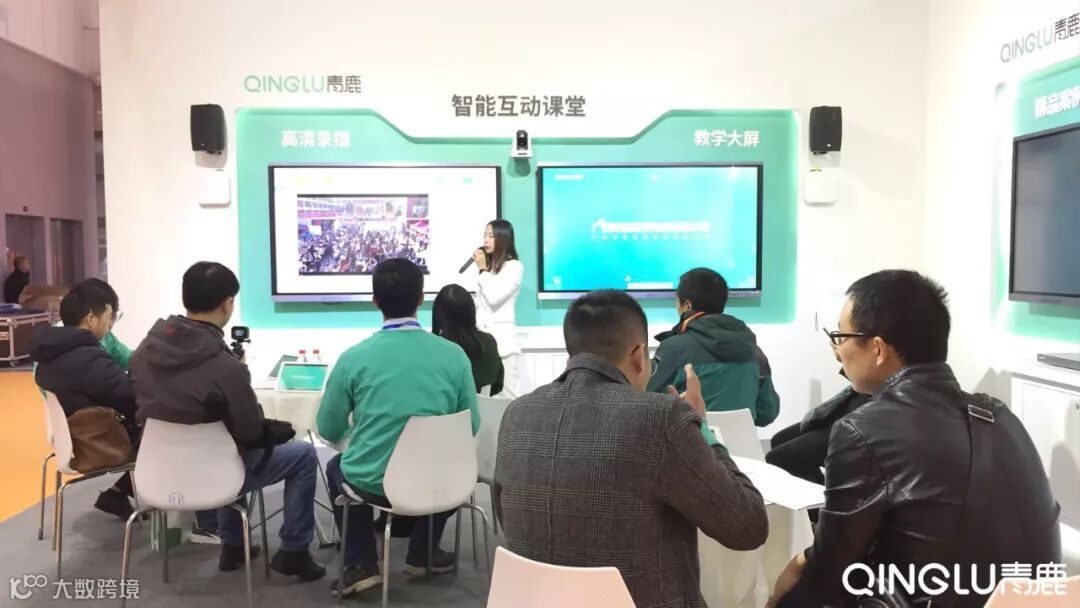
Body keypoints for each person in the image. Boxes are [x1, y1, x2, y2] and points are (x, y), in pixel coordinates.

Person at [767, 270, 1061, 608]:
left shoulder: (861, 429)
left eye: (841, 336)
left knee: (793, 594)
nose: (838, 350)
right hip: (1041, 599)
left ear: (877, 349)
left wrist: (797, 570)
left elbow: (830, 579)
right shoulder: (999, 415)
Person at [495, 289, 769, 608]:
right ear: (639, 355)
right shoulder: (661, 418)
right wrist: (703, 429)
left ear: (571, 355)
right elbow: (748, 527)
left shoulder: (517, 413)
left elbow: (505, 517)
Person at [130, 262, 325, 581]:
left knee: (225, 443)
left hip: (155, 473)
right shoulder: (227, 367)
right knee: (300, 455)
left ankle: (234, 546)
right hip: (213, 474)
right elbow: (250, 430)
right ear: (227, 303)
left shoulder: (141, 354)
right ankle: (294, 551)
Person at [318, 258, 481, 597]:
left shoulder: (354, 358)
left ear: (375, 301)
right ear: (421, 298)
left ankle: (360, 564)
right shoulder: (454, 356)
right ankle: (423, 552)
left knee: (336, 468)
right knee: (452, 465)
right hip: (443, 481)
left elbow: (328, 428)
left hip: (375, 483)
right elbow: (471, 424)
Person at [29, 280, 138, 519]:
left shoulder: (48, 355)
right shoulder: (89, 359)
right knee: (167, 433)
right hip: (99, 442)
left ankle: (118, 493)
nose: (111, 323)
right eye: (110, 317)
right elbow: (131, 397)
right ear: (91, 319)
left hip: (71, 439)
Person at [646, 267, 780, 426]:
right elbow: (767, 413)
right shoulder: (754, 352)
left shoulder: (673, 348)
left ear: (687, 305)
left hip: (689, 440)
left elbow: (647, 407)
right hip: (740, 442)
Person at [765, 374, 871, 486]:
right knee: (779, 439)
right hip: (850, 405)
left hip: (862, 418)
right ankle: (819, 488)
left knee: (777, 458)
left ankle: (817, 493)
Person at [472, 219, 523, 398]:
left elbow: (495, 298)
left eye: (491, 236)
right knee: (484, 398)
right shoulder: (489, 270)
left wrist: (483, 271)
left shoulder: (514, 267)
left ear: (503, 238)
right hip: (483, 345)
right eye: (485, 235)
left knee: (508, 396)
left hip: (503, 345)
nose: (485, 240)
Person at [432, 283, 504, 396]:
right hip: (483, 406)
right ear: (472, 311)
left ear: (438, 315)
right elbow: (498, 385)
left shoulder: (435, 347)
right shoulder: (489, 341)